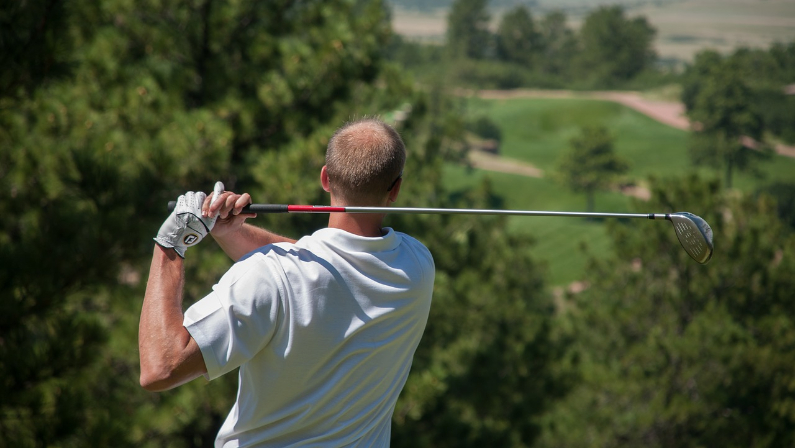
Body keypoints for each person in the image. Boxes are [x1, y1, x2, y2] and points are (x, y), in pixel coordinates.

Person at [139, 118, 435, 447]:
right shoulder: (418, 265)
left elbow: (160, 368)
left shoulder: (271, 275)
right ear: (395, 189)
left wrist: (170, 244)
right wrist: (232, 233)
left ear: (325, 177)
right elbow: (316, 264)